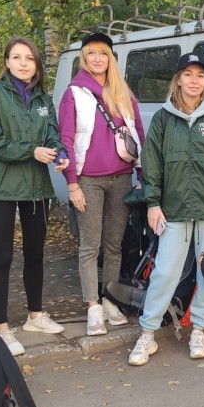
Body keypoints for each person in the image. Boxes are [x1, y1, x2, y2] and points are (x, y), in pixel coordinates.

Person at [128, 53, 204, 366]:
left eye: (201, 76)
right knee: (165, 272)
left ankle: (199, 330)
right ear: (178, 79)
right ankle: (148, 334)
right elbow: (151, 165)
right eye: (189, 74)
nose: (194, 81)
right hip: (174, 209)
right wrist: (153, 203)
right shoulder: (164, 120)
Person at [0, 37, 69, 356]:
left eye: (30, 58)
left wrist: (61, 154)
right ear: (7, 62)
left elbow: (52, 133)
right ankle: (1, 327)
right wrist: (33, 151)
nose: (24, 63)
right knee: (2, 257)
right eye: (17, 57)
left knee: (36, 254)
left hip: (34, 186)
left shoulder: (42, 97)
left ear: (37, 64)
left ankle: (35, 316)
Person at [59, 32, 144, 336]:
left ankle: (110, 299)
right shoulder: (74, 93)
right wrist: (72, 185)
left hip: (121, 177)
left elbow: (138, 135)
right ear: (84, 57)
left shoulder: (122, 92)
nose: (97, 59)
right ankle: (93, 306)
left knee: (114, 245)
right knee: (89, 245)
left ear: (110, 58)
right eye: (91, 53)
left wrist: (142, 174)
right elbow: (65, 141)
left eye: (103, 53)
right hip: (88, 181)